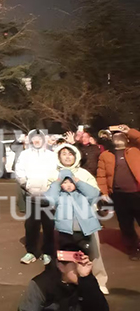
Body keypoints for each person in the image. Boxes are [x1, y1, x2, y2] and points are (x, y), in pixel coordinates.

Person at [49, 143, 109, 293]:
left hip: (86, 221)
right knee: (67, 254)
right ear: (58, 156)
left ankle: (99, 281)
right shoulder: (54, 174)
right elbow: (50, 197)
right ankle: (71, 281)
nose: (67, 157)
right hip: (65, 222)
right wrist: (59, 182)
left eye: (70, 154)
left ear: (75, 156)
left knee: (94, 252)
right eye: (64, 154)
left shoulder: (83, 173)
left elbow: (94, 193)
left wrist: (77, 181)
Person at [18, 244, 109, 311]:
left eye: (82, 264)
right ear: (60, 266)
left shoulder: (86, 281)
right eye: (76, 265)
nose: (80, 269)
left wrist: (87, 279)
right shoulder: (41, 285)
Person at [96, 124, 140, 261]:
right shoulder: (105, 155)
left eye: (120, 134)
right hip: (119, 195)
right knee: (126, 225)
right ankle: (133, 249)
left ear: (127, 138)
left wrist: (129, 131)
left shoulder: (135, 150)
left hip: (137, 193)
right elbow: (101, 175)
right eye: (114, 135)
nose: (117, 136)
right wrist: (104, 192)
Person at [15, 130, 58, 265]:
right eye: (34, 138)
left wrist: (51, 188)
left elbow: (56, 172)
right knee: (31, 224)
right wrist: (26, 185)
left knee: (49, 225)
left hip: (48, 196)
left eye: (40, 138)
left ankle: (48, 252)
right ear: (31, 140)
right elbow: (19, 171)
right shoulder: (25, 155)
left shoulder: (51, 155)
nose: (37, 141)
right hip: (31, 195)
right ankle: (32, 251)